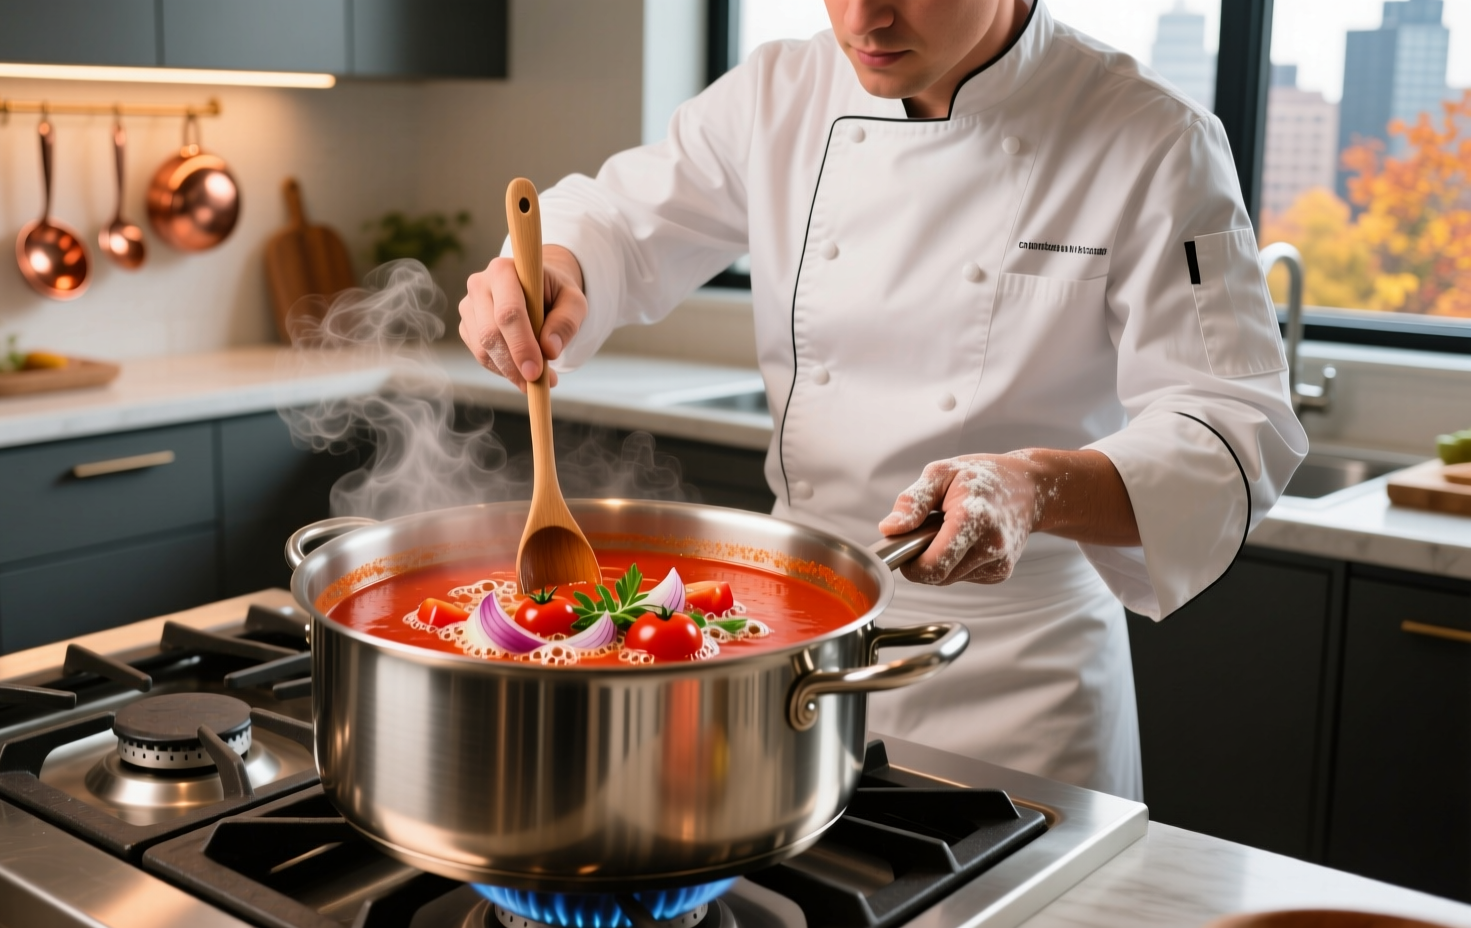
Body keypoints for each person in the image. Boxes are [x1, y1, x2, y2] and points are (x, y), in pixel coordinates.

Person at [457, 0, 1306, 799]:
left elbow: (1234, 425)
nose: (864, 17)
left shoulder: (1152, 137)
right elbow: (615, 217)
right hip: (794, 658)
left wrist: (1034, 484)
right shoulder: (780, 92)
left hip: (1018, 691)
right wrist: (555, 269)